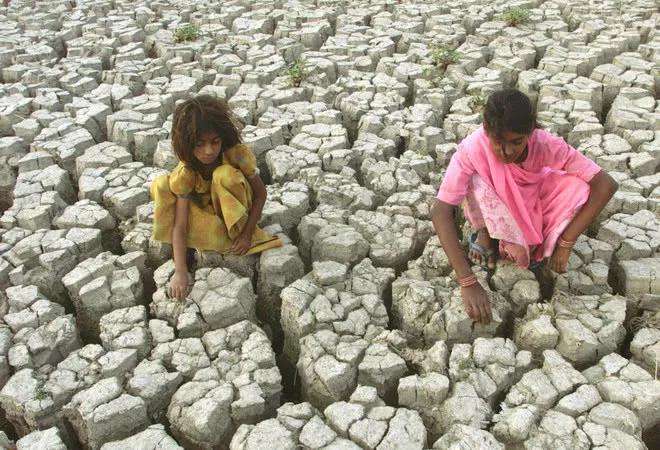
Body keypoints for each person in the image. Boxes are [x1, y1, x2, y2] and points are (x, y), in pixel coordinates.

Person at [430, 88, 618, 324]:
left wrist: (565, 242)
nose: (507, 152)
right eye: (498, 142)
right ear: (486, 130)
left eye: (516, 142)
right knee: (476, 179)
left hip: (529, 203)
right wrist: (467, 281)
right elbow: (440, 210)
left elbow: (605, 184)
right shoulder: (472, 149)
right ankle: (486, 232)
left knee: (579, 187)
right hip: (491, 207)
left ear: (530, 132)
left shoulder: (544, 144)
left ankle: (529, 239)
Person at [151, 95, 282, 300]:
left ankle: (235, 233)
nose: (209, 151)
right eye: (199, 144)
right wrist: (180, 271)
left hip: (237, 208)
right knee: (161, 185)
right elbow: (180, 224)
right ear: (187, 144)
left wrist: (247, 234)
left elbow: (260, 194)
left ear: (222, 137)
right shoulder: (187, 172)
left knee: (224, 175)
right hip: (209, 212)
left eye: (215, 142)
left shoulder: (236, 154)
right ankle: (204, 244)